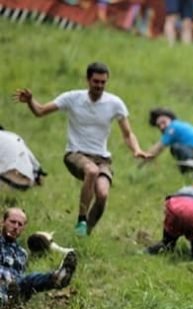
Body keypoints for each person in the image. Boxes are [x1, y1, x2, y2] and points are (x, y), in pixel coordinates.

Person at [14, 61, 149, 236]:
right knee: (91, 171)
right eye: (96, 81)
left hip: (102, 158)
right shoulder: (72, 98)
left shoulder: (115, 103)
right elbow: (40, 111)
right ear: (87, 80)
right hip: (75, 154)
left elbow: (127, 133)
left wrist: (136, 149)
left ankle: (85, 234)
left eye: (103, 82)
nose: (99, 86)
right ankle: (81, 220)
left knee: (102, 195)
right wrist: (31, 101)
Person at [0, 207, 77, 308]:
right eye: (13, 222)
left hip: (14, 288)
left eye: (20, 224)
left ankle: (57, 278)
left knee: (29, 280)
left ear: (23, 229)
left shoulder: (22, 254)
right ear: (3, 222)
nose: (16, 226)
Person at [145, 108, 193, 173]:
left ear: (170, 119)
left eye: (164, 122)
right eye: (159, 126)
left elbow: (159, 147)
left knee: (176, 147)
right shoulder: (178, 126)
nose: (162, 127)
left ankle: (192, 163)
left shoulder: (173, 127)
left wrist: (143, 159)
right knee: (182, 163)